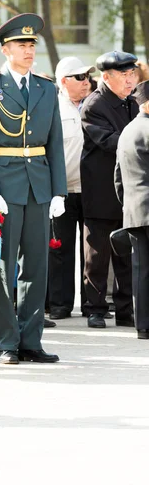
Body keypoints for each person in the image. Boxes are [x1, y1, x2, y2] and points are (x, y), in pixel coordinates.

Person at [0, 13, 67, 365]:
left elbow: (55, 141)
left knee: (36, 267)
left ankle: (31, 340)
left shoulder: (45, 87)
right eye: (22, 45)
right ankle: (7, 341)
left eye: (32, 44)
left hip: (38, 184)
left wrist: (58, 190)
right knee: (3, 266)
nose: (29, 50)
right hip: (5, 185)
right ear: (6, 50)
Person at [81, 51, 139, 329]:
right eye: (124, 76)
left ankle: (126, 309)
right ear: (106, 77)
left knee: (126, 252)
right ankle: (95, 308)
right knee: (98, 253)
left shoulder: (133, 101)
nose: (130, 81)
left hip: (129, 188)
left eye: (132, 75)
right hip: (101, 188)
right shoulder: (94, 104)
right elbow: (109, 141)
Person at [48, 56, 95, 320]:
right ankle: (60, 304)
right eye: (80, 77)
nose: (86, 81)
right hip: (61, 191)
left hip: (90, 190)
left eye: (87, 76)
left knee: (91, 251)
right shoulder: (52, 108)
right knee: (60, 251)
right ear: (64, 81)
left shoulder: (94, 106)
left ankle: (92, 304)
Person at [115, 80, 149, 339]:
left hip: (135, 211)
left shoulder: (128, 130)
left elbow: (118, 177)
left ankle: (143, 325)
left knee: (141, 270)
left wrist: (129, 205)